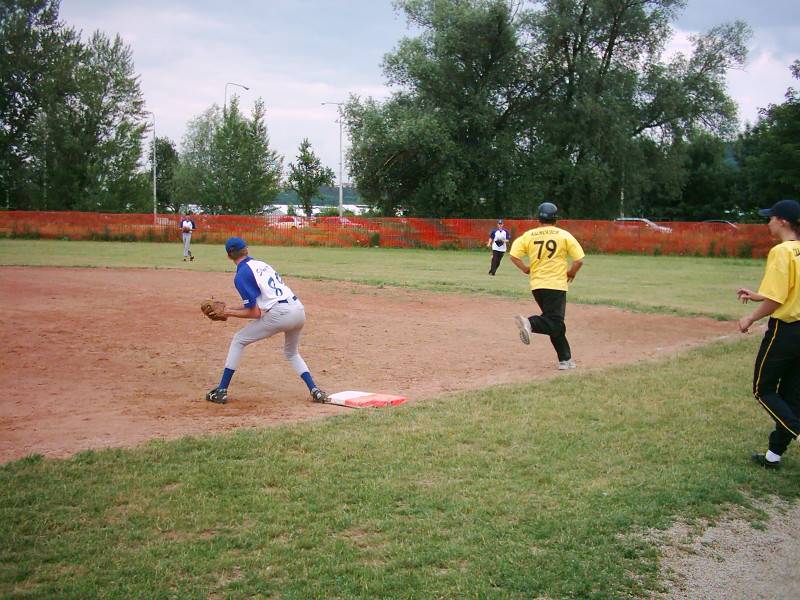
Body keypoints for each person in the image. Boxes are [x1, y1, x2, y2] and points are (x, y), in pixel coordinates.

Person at [205, 237, 328, 405]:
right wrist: (230, 309)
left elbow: (255, 313)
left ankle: (221, 390)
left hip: (280, 314)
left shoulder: (241, 274)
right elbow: (259, 305)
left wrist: (227, 312)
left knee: (239, 340)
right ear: (246, 249)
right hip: (298, 310)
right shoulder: (261, 265)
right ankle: (315, 390)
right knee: (291, 353)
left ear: (229, 255)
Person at [736, 198, 800, 469]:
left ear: (783, 221)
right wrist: (758, 296)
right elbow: (786, 290)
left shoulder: (782, 251)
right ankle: (774, 455)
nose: (768, 222)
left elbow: (776, 301)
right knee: (790, 395)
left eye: (771, 217)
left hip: (785, 332)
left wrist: (751, 316)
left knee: (762, 389)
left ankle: (796, 432)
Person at [509, 201, 585, 370]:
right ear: (555, 219)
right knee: (555, 322)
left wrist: (525, 269)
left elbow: (513, 255)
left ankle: (565, 359)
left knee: (554, 321)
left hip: (537, 286)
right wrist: (571, 273)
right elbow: (579, 260)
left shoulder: (529, 236)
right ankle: (530, 323)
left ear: (539, 219)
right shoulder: (563, 235)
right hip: (556, 284)